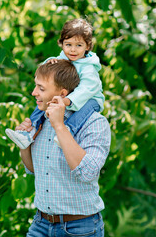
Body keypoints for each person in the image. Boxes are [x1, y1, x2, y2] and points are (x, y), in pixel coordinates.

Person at [17, 60, 110, 236]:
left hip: (81, 229)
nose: (34, 93)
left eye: (41, 88)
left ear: (62, 94)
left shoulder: (95, 123)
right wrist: (24, 144)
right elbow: (33, 169)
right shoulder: (41, 120)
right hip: (41, 224)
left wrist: (59, 126)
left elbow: (87, 173)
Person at [6, 18, 105, 149]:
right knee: (43, 102)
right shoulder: (64, 57)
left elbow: (87, 89)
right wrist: (50, 61)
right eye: (68, 45)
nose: (73, 50)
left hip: (91, 99)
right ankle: (29, 133)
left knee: (83, 111)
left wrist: (67, 100)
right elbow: (47, 72)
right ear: (62, 44)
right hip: (66, 96)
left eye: (79, 45)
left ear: (87, 46)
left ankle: (68, 131)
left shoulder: (88, 67)